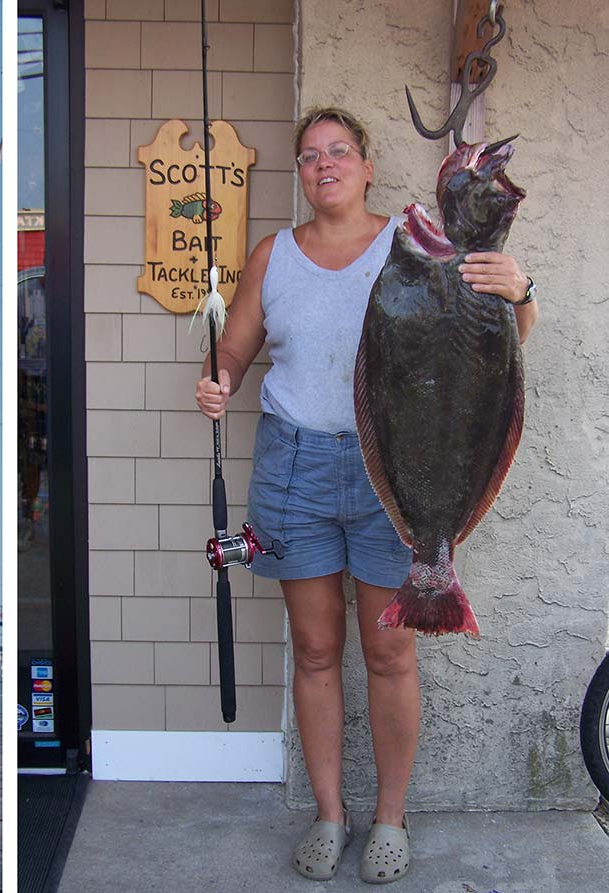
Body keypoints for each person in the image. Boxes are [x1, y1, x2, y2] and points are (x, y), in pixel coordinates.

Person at [194, 107, 537, 884]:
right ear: (301, 172)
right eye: (310, 155)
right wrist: (217, 381)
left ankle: (389, 815)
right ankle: (329, 813)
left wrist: (523, 287)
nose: (325, 165)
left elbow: (505, 336)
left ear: (368, 165)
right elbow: (236, 351)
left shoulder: (414, 242)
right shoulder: (272, 256)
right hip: (294, 467)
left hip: (400, 468)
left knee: (389, 649)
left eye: (339, 151)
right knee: (315, 650)